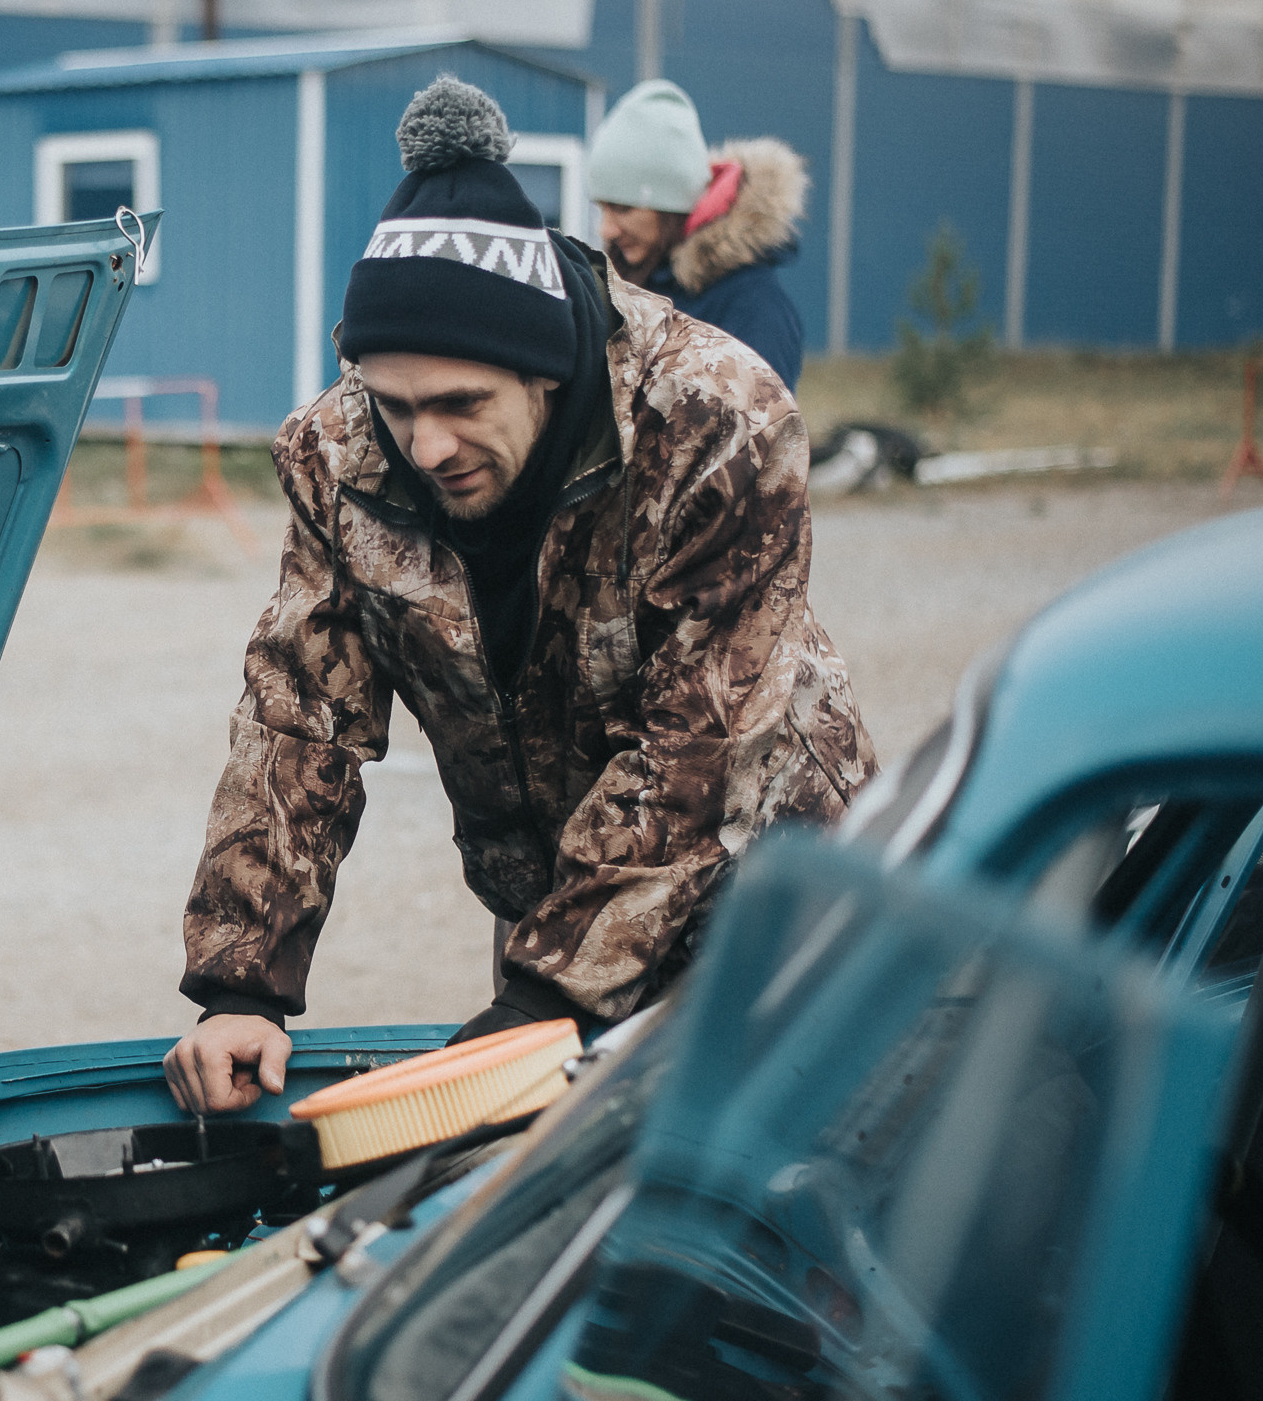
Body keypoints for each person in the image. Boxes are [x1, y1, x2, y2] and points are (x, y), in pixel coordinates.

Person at [162, 77, 874, 1116]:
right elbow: (299, 716)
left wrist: (541, 1000)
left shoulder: (716, 423)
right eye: (397, 404)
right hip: (557, 901)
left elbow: (699, 746)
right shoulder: (338, 455)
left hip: (775, 893)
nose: (428, 444)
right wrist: (240, 985)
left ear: (545, 372)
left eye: (460, 404)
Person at [587, 79, 811, 389]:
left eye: (622, 209)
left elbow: (759, 432)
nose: (606, 229)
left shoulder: (754, 307)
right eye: (602, 209)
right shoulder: (632, 281)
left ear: (670, 207)